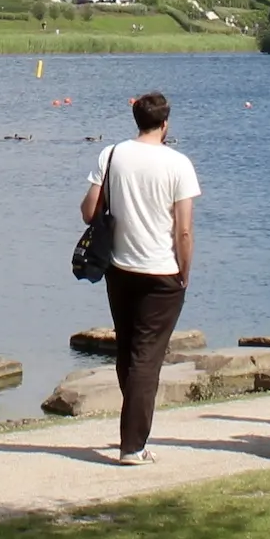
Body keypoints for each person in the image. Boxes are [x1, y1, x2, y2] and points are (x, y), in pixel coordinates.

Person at [80, 91, 200, 465]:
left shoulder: (111, 155)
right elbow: (183, 230)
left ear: (137, 120)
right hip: (162, 271)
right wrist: (185, 270)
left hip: (120, 269)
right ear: (165, 124)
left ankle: (133, 427)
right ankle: (133, 445)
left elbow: (88, 211)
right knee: (147, 358)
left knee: (128, 351)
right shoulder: (178, 164)